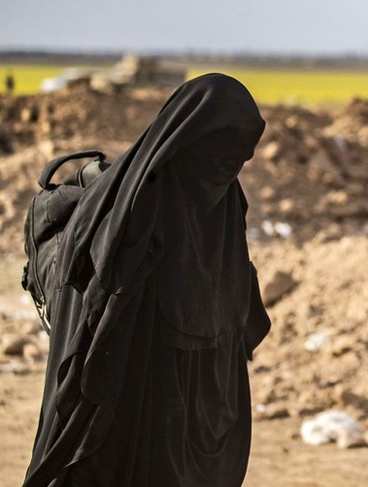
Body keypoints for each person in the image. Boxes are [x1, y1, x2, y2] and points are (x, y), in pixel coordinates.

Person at [24, 73, 271, 487]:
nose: (228, 166)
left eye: (239, 158)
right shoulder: (137, 199)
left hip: (197, 382)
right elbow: (97, 290)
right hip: (136, 378)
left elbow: (233, 288)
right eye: (222, 151)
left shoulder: (226, 196)